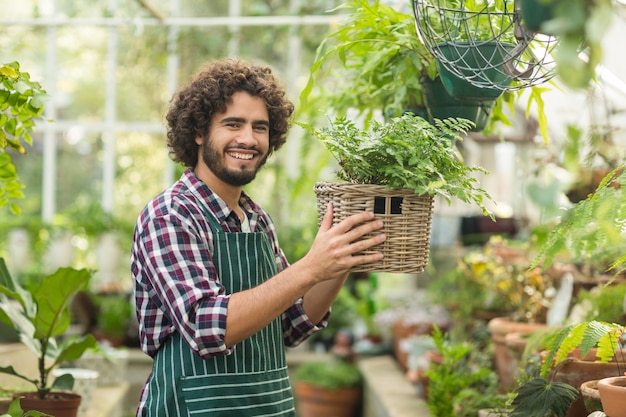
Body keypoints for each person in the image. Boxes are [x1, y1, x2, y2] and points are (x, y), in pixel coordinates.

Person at [130, 58, 386, 417]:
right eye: (233, 124)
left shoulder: (257, 219)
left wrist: (341, 256)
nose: (248, 139)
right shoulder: (171, 215)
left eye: (260, 127)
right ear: (199, 131)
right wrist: (310, 268)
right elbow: (207, 326)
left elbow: (292, 323)